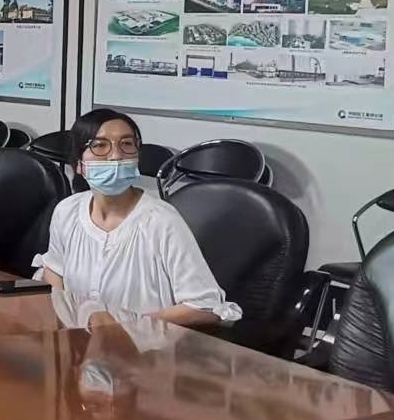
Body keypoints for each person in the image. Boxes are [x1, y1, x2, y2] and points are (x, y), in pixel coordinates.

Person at [33, 108, 240, 327]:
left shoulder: (161, 221)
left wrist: (129, 325)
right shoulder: (67, 211)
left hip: (147, 346)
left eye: (126, 144)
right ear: (79, 164)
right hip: (79, 342)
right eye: (100, 145)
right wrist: (64, 318)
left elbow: (204, 307)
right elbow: (54, 269)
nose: (116, 155)